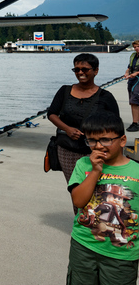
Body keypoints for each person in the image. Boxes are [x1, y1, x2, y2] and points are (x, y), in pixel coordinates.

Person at [67, 110, 139, 284]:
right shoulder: (83, 164)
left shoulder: (136, 171)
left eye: (105, 139)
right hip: (83, 246)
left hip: (121, 255)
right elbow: (78, 201)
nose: (98, 146)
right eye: (92, 140)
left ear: (122, 141)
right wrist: (95, 171)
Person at [48, 53, 120, 184]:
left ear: (96, 70)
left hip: (95, 151)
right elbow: (52, 113)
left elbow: (116, 125)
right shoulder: (64, 91)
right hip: (67, 150)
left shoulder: (105, 97)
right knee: (75, 188)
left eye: (85, 69)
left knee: (97, 188)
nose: (80, 72)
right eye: (76, 69)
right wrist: (67, 129)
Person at [123, 40, 139, 132]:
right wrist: (126, 73)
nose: (136, 48)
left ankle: (135, 123)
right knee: (132, 101)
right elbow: (129, 67)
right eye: (135, 47)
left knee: (134, 101)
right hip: (132, 80)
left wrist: (136, 73)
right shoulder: (133, 55)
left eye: (137, 46)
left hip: (138, 80)